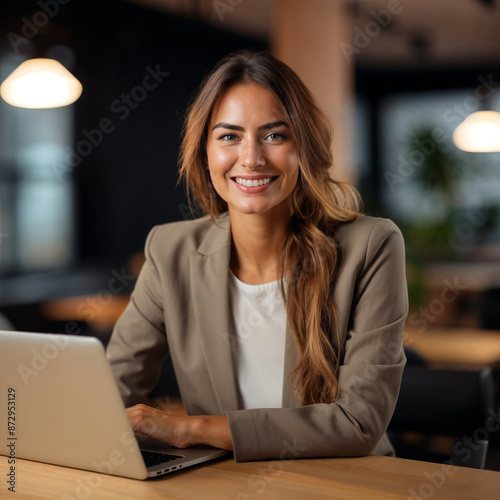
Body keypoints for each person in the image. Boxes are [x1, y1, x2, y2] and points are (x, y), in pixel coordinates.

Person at [106, 50, 408, 462]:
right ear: (204, 152)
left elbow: (357, 424)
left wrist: (193, 428)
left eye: (274, 135)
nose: (251, 158)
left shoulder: (372, 245)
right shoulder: (169, 249)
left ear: (304, 146)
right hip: (225, 486)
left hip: (346, 484)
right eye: (229, 136)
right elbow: (110, 391)